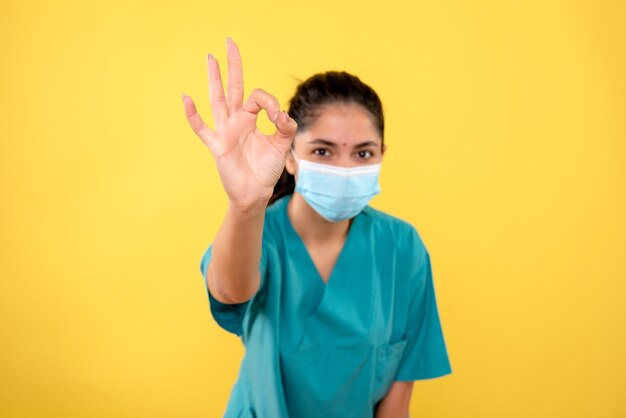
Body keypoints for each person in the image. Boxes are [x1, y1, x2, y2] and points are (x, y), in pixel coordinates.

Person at [182, 37, 452, 418]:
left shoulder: (402, 248)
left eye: (363, 153)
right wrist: (245, 205)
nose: (344, 169)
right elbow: (229, 289)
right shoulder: (263, 234)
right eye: (322, 151)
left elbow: (396, 401)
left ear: (381, 156)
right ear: (290, 157)